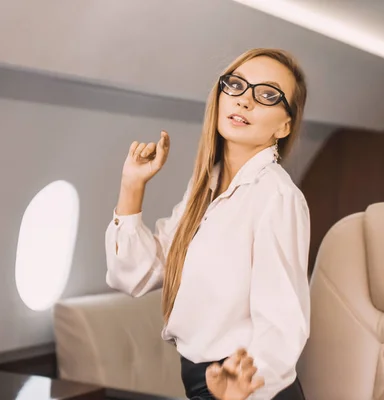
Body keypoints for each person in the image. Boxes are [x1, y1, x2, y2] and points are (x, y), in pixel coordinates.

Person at [105, 48, 310, 400]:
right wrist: (132, 185)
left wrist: (242, 391)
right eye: (236, 85)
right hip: (205, 384)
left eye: (266, 94)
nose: (244, 101)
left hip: (245, 389)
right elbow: (134, 275)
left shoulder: (276, 196)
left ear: (284, 125)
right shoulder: (205, 190)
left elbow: (283, 324)